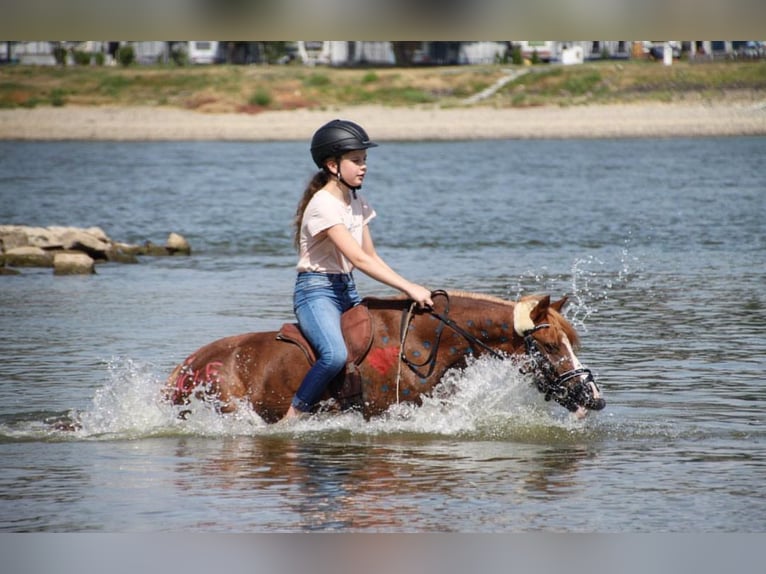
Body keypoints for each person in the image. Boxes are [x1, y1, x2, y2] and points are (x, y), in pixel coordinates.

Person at [280, 119, 434, 422]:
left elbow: (371, 255)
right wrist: (408, 288)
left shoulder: (356, 201)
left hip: (346, 288)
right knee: (334, 355)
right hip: (316, 291)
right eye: (356, 160)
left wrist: (408, 285)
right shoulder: (323, 205)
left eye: (364, 160)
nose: (363, 167)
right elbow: (360, 260)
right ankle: (292, 416)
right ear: (332, 165)